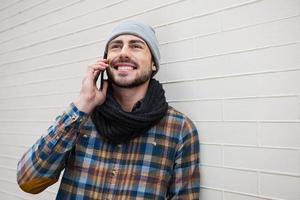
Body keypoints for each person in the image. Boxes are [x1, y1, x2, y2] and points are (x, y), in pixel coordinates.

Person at [17, 20, 200, 199]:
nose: (123, 53)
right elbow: (28, 180)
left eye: (136, 46)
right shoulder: (79, 118)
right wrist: (83, 104)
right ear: (105, 61)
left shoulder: (179, 128)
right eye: (116, 46)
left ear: (154, 63)